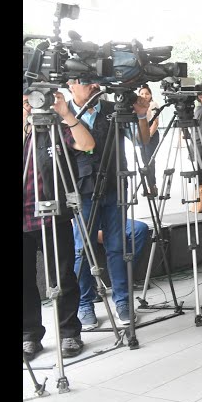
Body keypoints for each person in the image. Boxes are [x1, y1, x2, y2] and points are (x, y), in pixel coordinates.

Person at [69, 79, 151, 329]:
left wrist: (142, 114)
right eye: (85, 82)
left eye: (95, 81)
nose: (93, 86)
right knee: (83, 249)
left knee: (117, 246)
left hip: (115, 185)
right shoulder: (63, 113)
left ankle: (123, 301)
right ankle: (84, 303)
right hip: (81, 190)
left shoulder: (111, 109)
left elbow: (141, 140)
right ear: (71, 84)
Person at [24, 91, 92, 359]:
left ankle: (69, 333)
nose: (30, 103)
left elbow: (87, 145)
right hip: (24, 216)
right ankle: (29, 335)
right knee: (24, 280)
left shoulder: (56, 130)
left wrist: (66, 113)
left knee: (62, 275)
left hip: (54, 215)